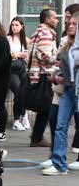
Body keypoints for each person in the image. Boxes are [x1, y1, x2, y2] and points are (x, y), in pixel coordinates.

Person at [42, 4, 79, 169]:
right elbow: (59, 65)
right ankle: (58, 163)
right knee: (60, 125)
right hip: (68, 90)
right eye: (68, 23)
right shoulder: (66, 44)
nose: (70, 26)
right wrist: (57, 73)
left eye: (74, 24)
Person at [27, 8, 59, 148]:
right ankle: (37, 138)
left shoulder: (36, 32)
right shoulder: (46, 33)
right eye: (55, 18)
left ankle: (37, 137)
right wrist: (59, 59)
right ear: (47, 20)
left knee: (44, 109)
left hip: (35, 75)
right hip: (44, 76)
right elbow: (45, 57)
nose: (57, 20)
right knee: (47, 109)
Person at [7, 17, 31, 131]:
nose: (14, 27)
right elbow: (5, 55)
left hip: (22, 69)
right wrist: (18, 54)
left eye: (17, 25)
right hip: (11, 70)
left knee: (24, 93)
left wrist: (26, 57)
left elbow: (30, 57)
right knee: (18, 92)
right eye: (13, 25)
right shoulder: (7, 39)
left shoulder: (26, 40)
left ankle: (23, 117)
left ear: (22, 26)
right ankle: (18, 120)